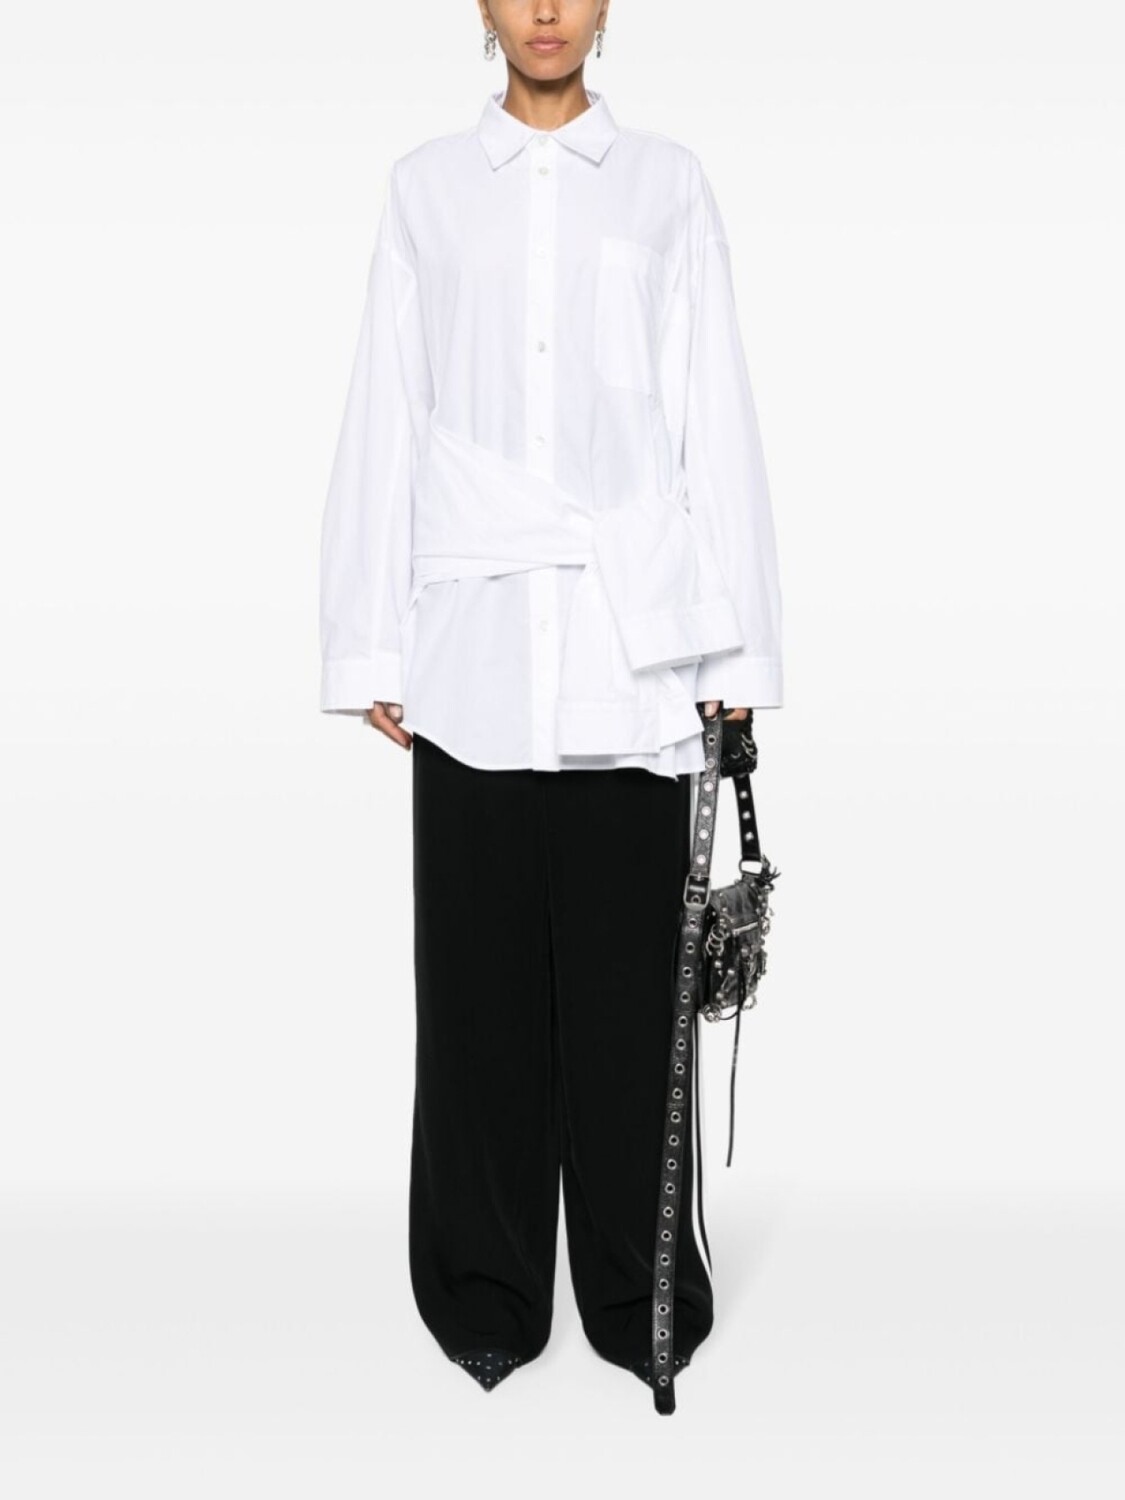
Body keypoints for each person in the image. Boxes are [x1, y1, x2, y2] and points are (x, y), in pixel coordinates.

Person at [318, 0, 783, 1397]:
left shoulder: (667, 187)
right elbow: (385, 414)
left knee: (634, 1002)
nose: (544, 11)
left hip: (631, 657)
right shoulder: (423, 191)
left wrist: (735, 669)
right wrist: (370, 645)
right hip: (469, 654)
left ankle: (643, 1292)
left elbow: (716, 426)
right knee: (475, 999)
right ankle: (484, 1286)